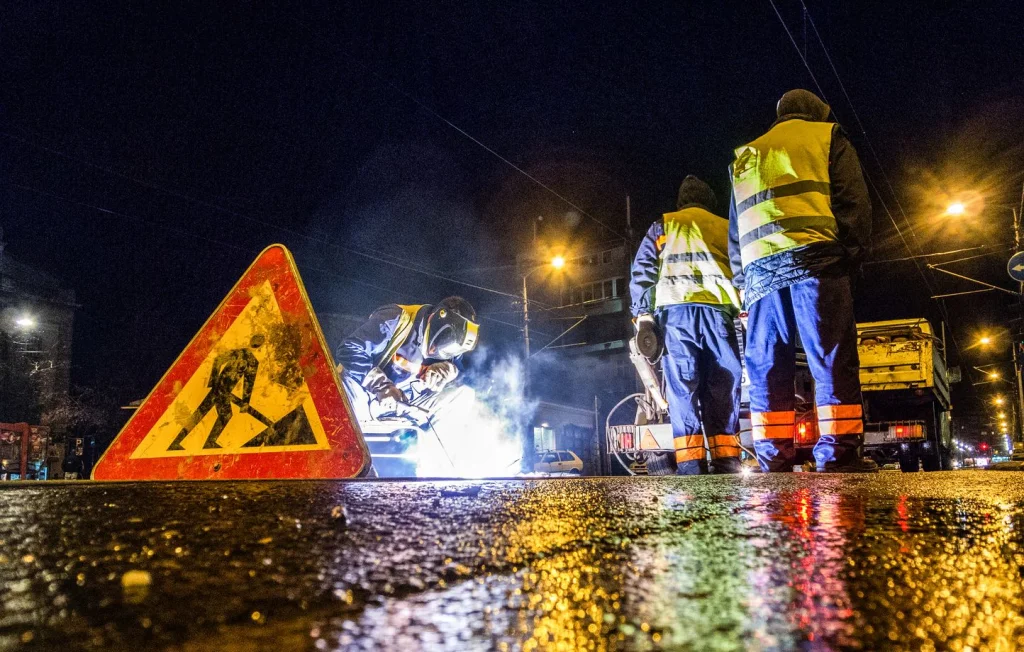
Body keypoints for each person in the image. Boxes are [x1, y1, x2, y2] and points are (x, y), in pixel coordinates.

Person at [728, 89, 873, 473]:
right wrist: (851, 256)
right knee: (829, 357)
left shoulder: (746, 156)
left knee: (767, 367)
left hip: (760, 278)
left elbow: (736, 229)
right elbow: (853, 201)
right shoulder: (827, 137)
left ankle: (773, 457)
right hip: (817, 263)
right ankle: (838, 454)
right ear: (816, 112)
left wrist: (743, 282)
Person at [630, 175, 744, 475]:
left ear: (681, 202)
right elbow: (743, 269)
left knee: (683, 391)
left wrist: (643, 317)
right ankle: (726, 462)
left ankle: (691, 466)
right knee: (723, 388)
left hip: (676, 319)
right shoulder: (724, 226)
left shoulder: (663, 226)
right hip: (718, 316)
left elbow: (642, 271)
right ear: (709, 201)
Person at [336, 297, 479, 422]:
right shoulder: (395, 318)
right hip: (363, 393)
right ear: (436, 319)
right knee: (345, 395)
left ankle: (430, 450)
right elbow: (349, 349)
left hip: (403, 402)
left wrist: (450, 371)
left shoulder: (453, 344)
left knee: (463, 395)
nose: (437, 353)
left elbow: (459, 368)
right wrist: (381, 386)